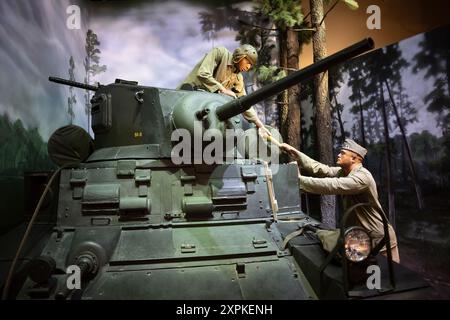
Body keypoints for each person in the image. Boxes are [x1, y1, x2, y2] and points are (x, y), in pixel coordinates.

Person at [279, 138, 400, 263]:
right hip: (361, 236)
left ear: (354, 158)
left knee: (388, 276)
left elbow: (333, 185)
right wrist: (295, 153)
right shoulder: (344, 172)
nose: (338, 154)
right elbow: (321, 169)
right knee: (363, 276)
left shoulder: (363, 177)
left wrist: (298, 179)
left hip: (379, 238)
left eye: (342, 153)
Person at [178, 44, 270, 137]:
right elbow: (203, 73)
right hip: (187, 99)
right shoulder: (221, 53)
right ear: (241, 56)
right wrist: (222, 89)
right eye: (248, 62)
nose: (248, 67)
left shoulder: (238, 77)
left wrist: (260, 125)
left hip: (204, 110)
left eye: (251, 65)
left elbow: (244, 102)